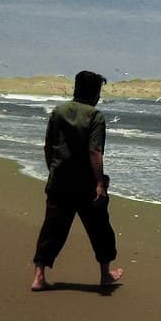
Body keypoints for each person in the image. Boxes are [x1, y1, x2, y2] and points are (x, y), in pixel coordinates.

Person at [31, 70, 123, 291]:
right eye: (98, 91)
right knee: (100, 229)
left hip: (59, 181)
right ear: (94, 92)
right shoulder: (95, 116)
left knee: (52, 229)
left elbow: (48, 146)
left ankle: (39, 276)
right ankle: (105, 275)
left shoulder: (58, 112)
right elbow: (95, 152)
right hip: (86, 185)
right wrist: (100, 183)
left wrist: (52, 171)